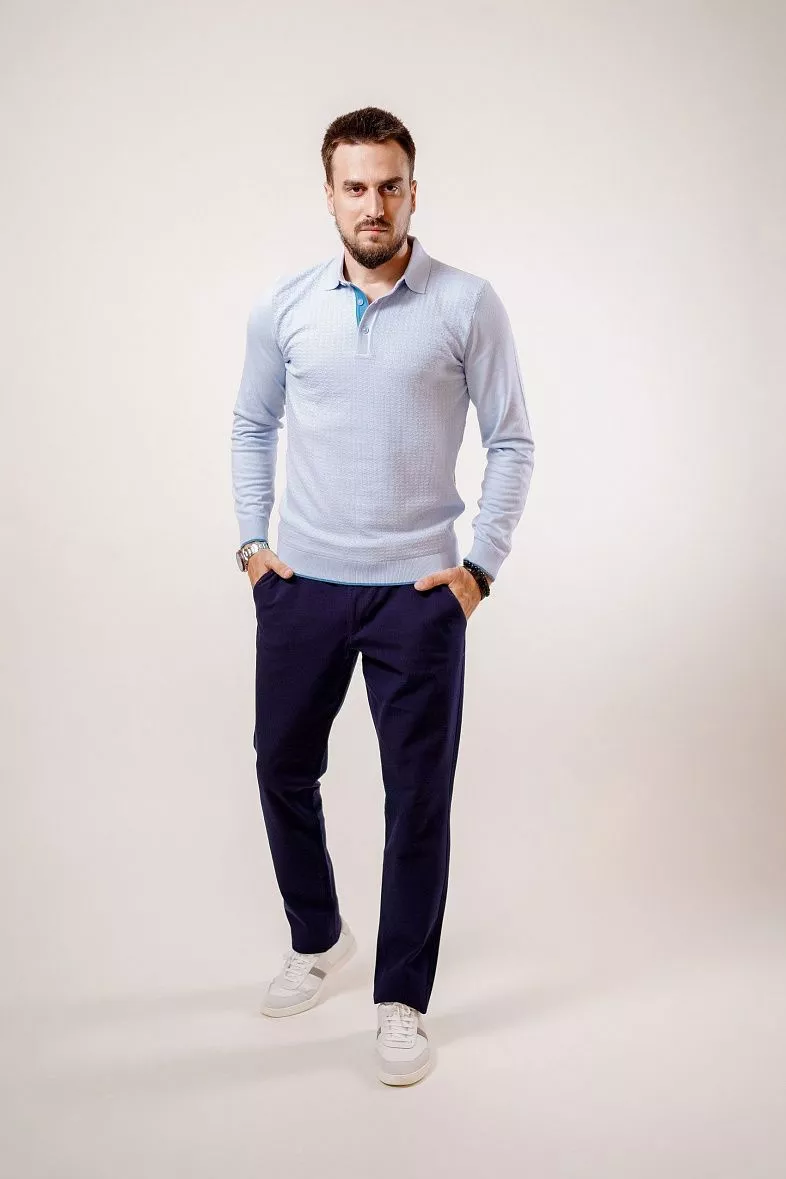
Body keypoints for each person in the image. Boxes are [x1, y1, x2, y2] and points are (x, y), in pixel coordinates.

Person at [230, 106, 535, 1086]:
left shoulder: (466, 304)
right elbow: (252, 425)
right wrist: (253, 547)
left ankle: (402, 1001)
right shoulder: (285, 305)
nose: (374, 203)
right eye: (355, 186)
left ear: (413, 191)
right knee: (281, 765)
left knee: (418, 801)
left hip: (419, 594)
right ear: (329, 195)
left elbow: (512, 439)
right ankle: (318, 936)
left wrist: (478, 569)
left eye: (390, 185)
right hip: (303, 587)